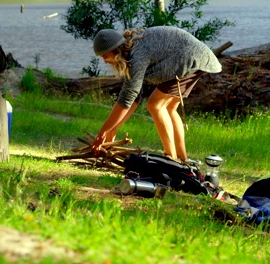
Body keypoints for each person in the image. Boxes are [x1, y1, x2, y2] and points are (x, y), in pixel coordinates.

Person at [89, 26, 222, 162]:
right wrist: (112, 130)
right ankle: (182, 159)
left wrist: (102, 132)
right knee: (169, 108)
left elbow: (128, 96)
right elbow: (135, 96)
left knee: (155, 105)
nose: (105, 61)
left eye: (105, 56)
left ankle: (170, 158)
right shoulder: (131, 52)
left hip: (190, 57)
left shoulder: (137, 55)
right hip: (194, 56)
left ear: (115, 50)